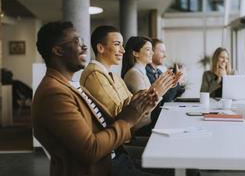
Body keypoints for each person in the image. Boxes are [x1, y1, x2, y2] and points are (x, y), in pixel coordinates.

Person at [32, 21, 158, 176]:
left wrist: (140, 105)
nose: (84, 47)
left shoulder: (72, 85)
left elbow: (106, 123)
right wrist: (128, 119)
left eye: (82, 42)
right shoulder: (54, 94)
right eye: (76, 42)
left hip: (116, 157)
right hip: (105, 168)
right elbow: (90, 150)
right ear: (58, 51)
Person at [146, 38, 185, 104]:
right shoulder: (147, 72)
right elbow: (167, 98)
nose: (165, 55)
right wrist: (177, 82)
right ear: (152, 52)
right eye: (162, 52)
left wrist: (178, 81)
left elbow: (173, 96)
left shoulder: (158, 71)